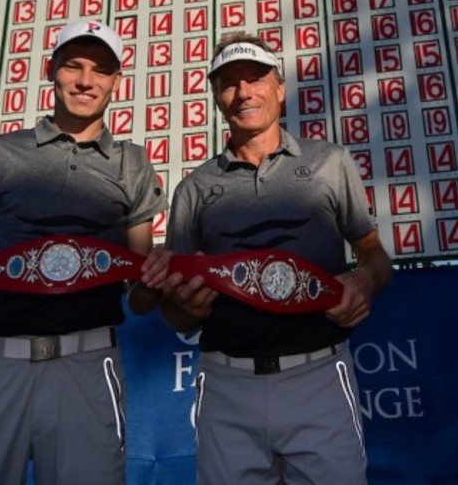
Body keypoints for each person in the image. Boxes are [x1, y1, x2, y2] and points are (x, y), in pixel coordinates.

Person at [0, 19, 170, 485]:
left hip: (89, 364)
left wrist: (160, 277)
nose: (86, 81)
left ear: (115, 83)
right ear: (52, 70)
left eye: (101, 70)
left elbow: (139, 292)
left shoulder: (133, 162)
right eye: (74, 66)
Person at [160, 31, 393, 485]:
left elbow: (374, 255)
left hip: (319, 375)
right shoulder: (193, 189)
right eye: (229, 83)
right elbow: (175, 313)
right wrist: (184, 309)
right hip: (228, 384)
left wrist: (363, 282)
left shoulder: (331, 162)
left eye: (255, 78)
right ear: (216, 97)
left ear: (279, 88)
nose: (243, 92)